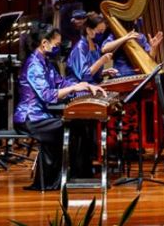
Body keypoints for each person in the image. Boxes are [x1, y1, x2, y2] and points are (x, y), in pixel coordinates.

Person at [14, 23, 104, 190]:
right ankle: (64, 178)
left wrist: (85, 86)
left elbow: (61, 83)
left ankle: (76, 176)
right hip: (30, 117)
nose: (58, 48)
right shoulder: (34, 65)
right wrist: (74, 89)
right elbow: (47, 95)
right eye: (56, 44)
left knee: (79, 125)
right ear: (44, 43)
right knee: (72, 127)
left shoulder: (45, 62)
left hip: (41, 116)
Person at [66, 12, 138, 83]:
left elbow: (93, 73)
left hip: (93, 85)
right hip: (78, 87)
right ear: (89, 30)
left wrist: (105, 72)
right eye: (100, 31)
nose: (101, 34)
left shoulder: (96, 47)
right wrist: (101, 61)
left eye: (103, 31)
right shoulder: (80, 48)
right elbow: (84, 76)